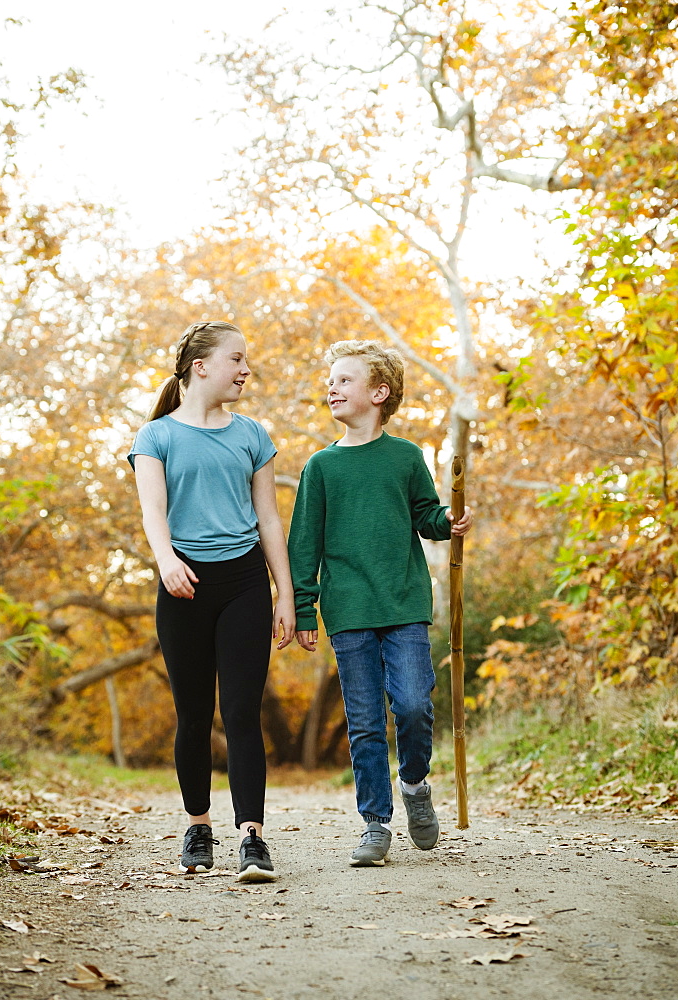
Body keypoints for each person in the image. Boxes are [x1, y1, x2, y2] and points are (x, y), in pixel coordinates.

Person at [288, 340, 473, 867]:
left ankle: (415, 784)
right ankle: (375, 822)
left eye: (345, 380)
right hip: (348, 609)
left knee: (414, 705)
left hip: (403, 602)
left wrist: (448, 522)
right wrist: (304, 610)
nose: (333, 387)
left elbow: (425, 515)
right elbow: (304, 545)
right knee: (366, 721)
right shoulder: (321, 467)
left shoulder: (405, 456)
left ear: (378, 392)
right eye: (332, 380)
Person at [128, 320, 295, 883]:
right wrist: (167, 560)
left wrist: (285, 594)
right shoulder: (156, 437)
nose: (246, 370)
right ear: (201, 366)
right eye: (237, 360)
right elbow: (153, 511)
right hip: (184, 586)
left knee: (243, 712)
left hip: (244, 583)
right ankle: (198, 826)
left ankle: (253, 837)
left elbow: (269, 519)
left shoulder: (253, 435)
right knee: (194, 714)